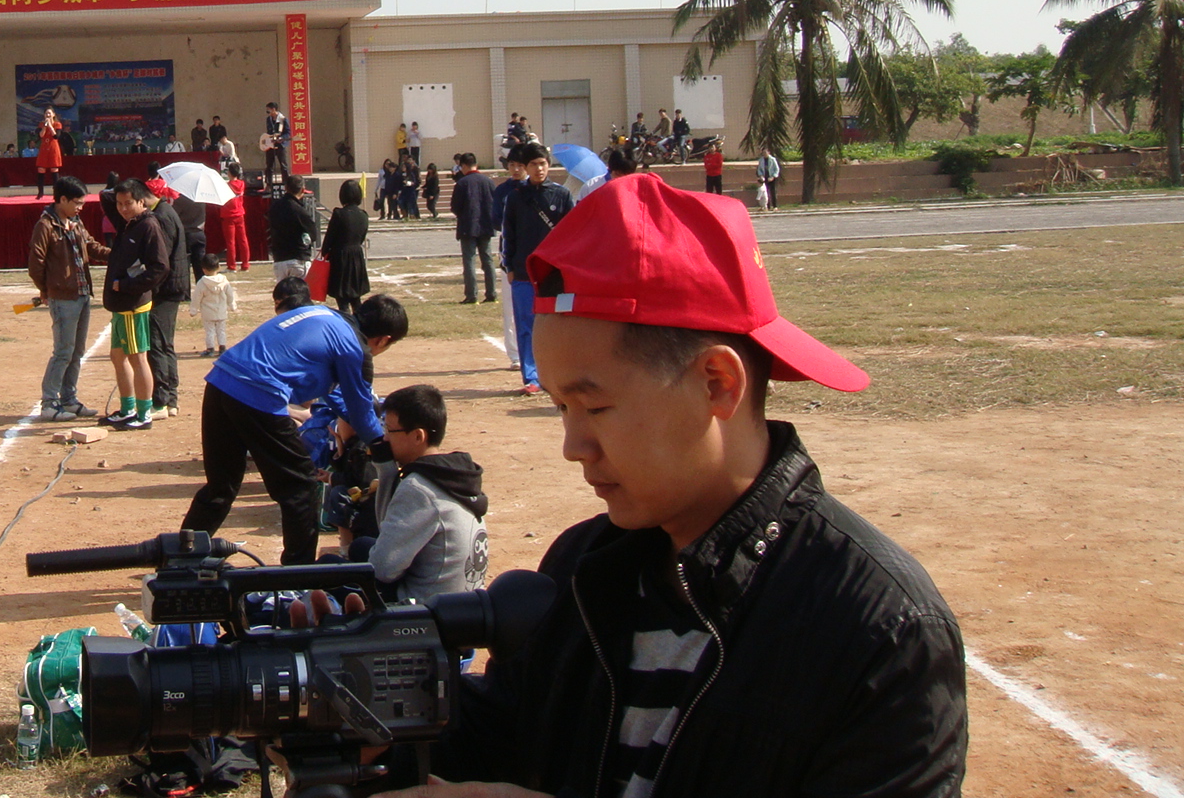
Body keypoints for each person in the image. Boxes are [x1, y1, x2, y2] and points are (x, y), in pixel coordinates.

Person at [399, 171, 967, 798]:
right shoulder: (585, 564)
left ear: (717, 384)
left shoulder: (881, 630)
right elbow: (508, 730)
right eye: (561, 408)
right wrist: (361, 698)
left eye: (596, 408)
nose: (572, 446)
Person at [181, 293, 408, 564]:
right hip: (258, 393)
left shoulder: (325, 316)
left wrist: (362, 426)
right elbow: (360, 410)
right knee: (301, 488)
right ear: (383, 340)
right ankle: (298, 572)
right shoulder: (354, 347)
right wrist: (382, 448)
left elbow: (337, 396)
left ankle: (179, 559)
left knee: (220, 487)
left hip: (221, 382)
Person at [370, 384, 488, 605]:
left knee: (341, 569)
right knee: (363, 546)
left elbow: (381, 569)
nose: (384, 439)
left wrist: (386, 473)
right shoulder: (455, 474)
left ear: (418, 436)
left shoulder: (418, 488)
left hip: (433, 611)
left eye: (389, 431)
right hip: (469, 603)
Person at [27, 175, 109, 421]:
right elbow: (36, 263)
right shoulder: (45, 226)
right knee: (63, 351)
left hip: (82, 294)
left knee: (77, 351)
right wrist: (47, 289)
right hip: (62, 297)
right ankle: (49, 402)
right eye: (77, 202)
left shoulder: (75, 221)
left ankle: (69, 399)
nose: (80, 207)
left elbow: (91, 245)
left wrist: (118, 254)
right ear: (62, 199)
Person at [499, 142, 572, 391]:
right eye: (533, 164)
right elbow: (508, 234)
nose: (539, 169)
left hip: (554, 272)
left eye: (542, 164)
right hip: (523, 271)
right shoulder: (516, 197)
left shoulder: (562, 195)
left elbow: (572, 234)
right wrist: (509, 266)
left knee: (557, 323)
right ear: (526, 167)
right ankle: (531, 377)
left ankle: (557, 374)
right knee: (526, 325)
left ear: (548, 165)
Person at [99, 180, 167, 430]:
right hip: (120, 304)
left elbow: (160, 267)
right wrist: (120, 188)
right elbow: (104, 196)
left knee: (138, 358)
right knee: (118, 356)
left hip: (132, 304)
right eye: (119, 204)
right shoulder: (127, 222)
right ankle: (127, 408)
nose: (123, 208)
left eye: (129, 203)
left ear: (142, 202)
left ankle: (144, 413)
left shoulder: (148, 226)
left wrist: (129, 285)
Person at [144, 178, 195, 420]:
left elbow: (160, 259)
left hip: (165, 289)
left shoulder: (161, 216)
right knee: (166, 344)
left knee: (157, 344)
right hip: (172, 286)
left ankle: (161, 400)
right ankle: (171, 399)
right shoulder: (166, 211)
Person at [451, 155, 498, 305]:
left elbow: (455, 207)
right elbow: (495, 203)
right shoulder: (488, 182)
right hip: (486, 225)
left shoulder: (462, 183)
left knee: (469, 261)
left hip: (468, 226)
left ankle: (471, 295)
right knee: (488, 260)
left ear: (464, 166)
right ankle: (491, 293)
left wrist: (463, 215)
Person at [321, 178, 371, 316]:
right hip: (357, 257)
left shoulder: (339, 214)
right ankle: (360, 323)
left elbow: (329, 238)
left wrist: (325, 253)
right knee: (356, 298)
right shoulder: (363, 215)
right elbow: (361, 237)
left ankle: (347, 323)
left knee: (342, 299)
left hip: (340, 257)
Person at [264, 174, 318, 286]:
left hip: (279, 259)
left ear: (286, 188)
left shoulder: (274, 207)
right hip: (298, 258)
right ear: (302, 190)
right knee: (300, 293)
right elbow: (313, 234)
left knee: (283, 293)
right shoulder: (299, 210)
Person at [191, 252, 237, 354]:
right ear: (219, 267)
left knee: (210, 331)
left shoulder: (202, 283)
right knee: (221, 330)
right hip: (221, 311)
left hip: (208, 313)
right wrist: (232, 305)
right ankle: (222, 347)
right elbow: (230, 294)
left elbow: (196, 297)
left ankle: (210, 348)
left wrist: (193, 310)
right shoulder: (224, 281)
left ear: (203, 269)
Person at [218, 163, 249, 272]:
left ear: (229, 173)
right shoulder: (242, 184)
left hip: (228, 215)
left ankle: (232, 266)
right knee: (243, 240)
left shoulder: (226, 186)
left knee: (230, 242)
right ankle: (245, 264)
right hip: (239, 214)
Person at [34, 108, 65, 198]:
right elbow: (41, 135)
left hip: (53, 148)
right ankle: (40, 193)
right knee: (41, 169)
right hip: (44, 148)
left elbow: (56, 136)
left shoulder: (57, 124)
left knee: (54, 169)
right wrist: (44, 126)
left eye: (49, 113)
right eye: (46, 113)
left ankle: (56, 193)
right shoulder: (41, 124)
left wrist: (50, 126)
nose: (48, 115)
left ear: (53, 115)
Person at [261, 102, 291, 182]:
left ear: (273, 109)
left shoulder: (283, 119)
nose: (268, 113)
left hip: (280, 145)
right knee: (269, 165)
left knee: (283, 165)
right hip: (270, 145)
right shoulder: (269, 119)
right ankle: (269, 183)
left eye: (268, 110)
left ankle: (286, 183)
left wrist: (281, 138)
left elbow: (288, 133)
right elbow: (269, 132)